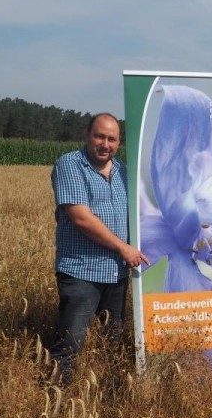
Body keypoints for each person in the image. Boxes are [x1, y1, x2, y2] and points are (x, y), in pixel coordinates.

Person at [49, 113, 149, 385]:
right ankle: (57, 402)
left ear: (119, 142)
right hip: (81, 272)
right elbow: (80, 217)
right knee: (70, 343)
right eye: (100, 136)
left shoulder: (123, 172)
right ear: (87, 135)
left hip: (116, 274)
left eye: (112, 139)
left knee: (111, 344)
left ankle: (107, 397)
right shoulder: (70, 164)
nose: (105, 144)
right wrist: (123, 247)